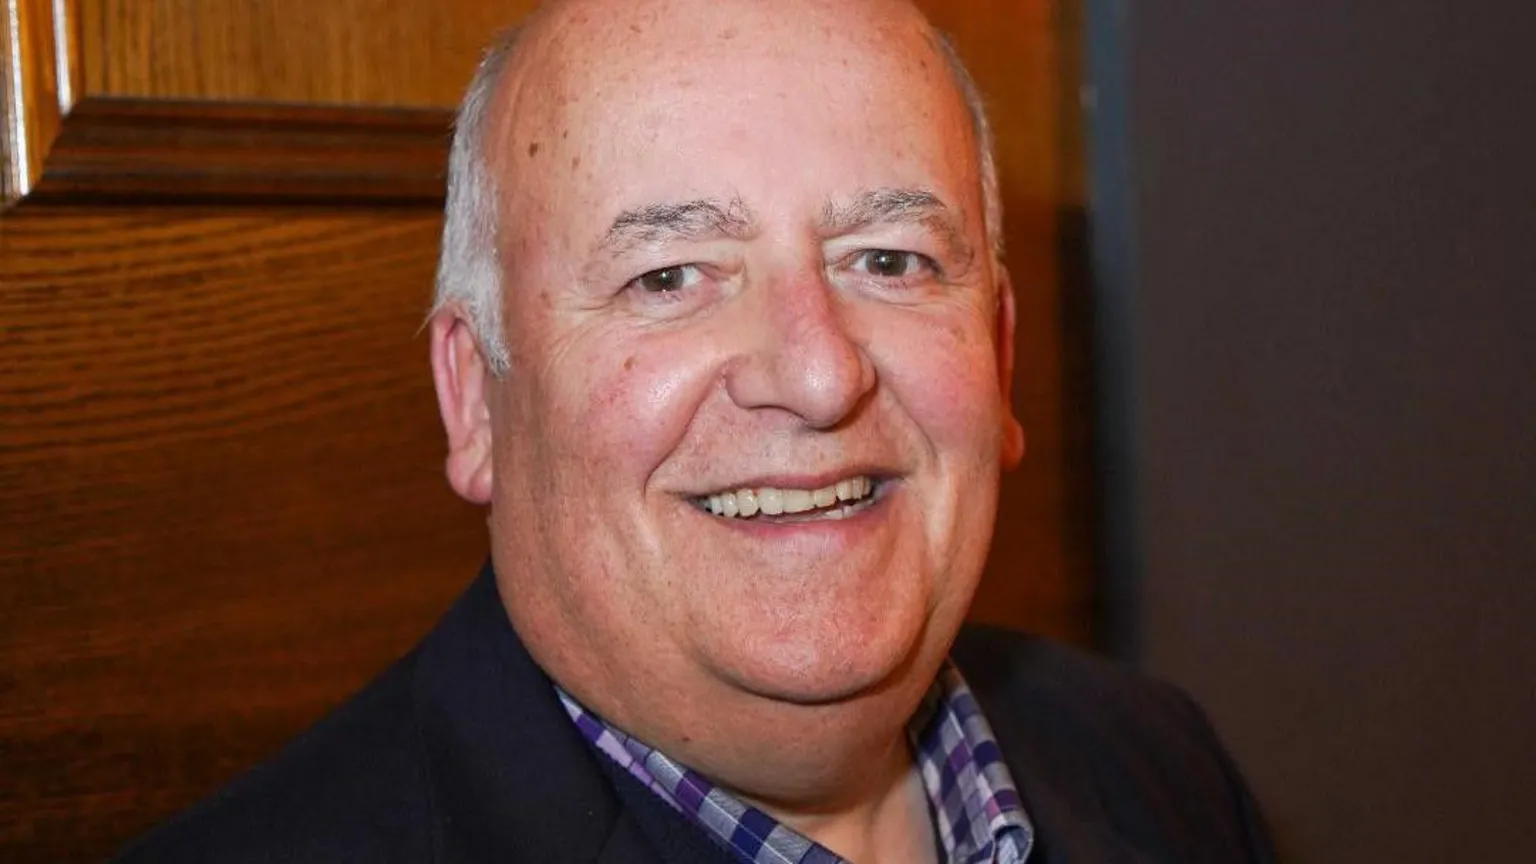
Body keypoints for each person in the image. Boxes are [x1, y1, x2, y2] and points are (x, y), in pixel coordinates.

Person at [117, 0, 1275, 861]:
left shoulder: (1159, 769)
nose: (819, 375)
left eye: (889, 259)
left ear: (1003, 357)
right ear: (476, 397)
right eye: (670, 274)